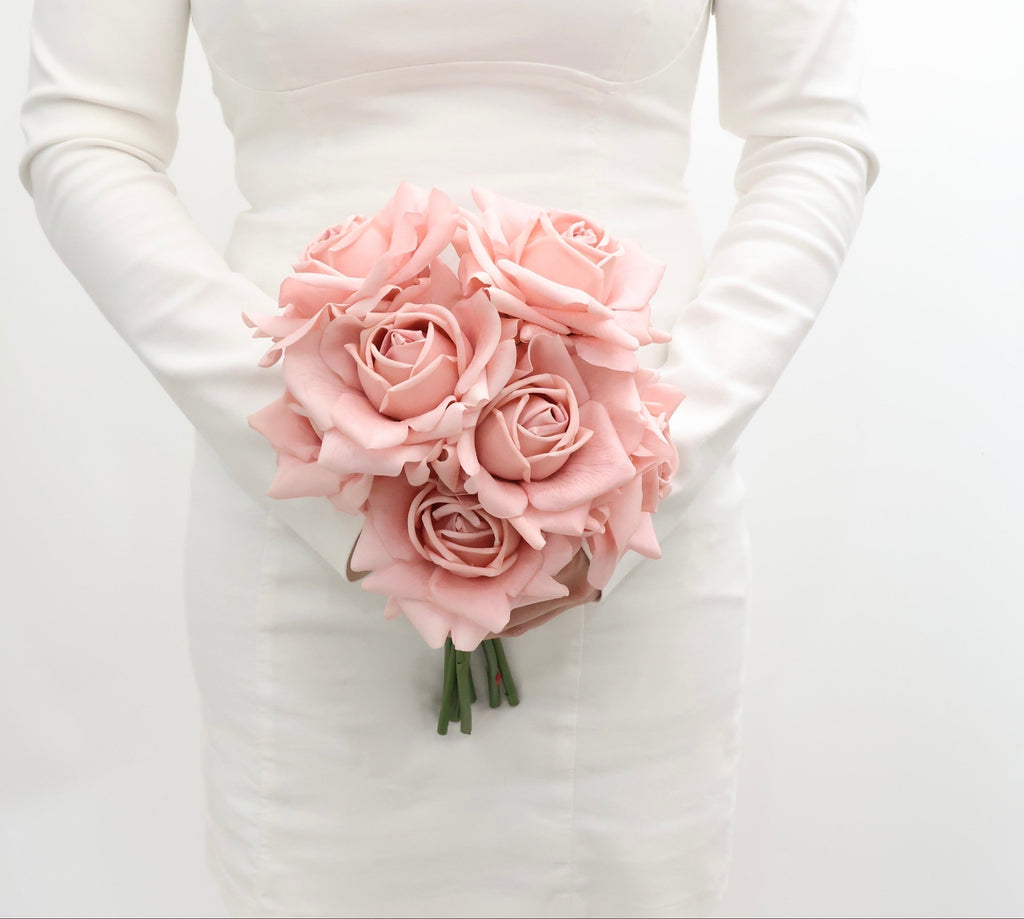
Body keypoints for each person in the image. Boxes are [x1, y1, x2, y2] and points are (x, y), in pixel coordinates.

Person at [18, 1, 880, 915]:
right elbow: (85, 131)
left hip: (635, 539)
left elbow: (812, 135)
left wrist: (646, 470)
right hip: (299, 523)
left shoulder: (644, 487)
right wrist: (322, 456)